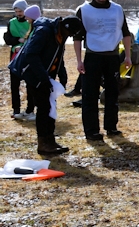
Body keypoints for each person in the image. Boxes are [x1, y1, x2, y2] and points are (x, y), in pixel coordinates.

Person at [8, 16, 86, 155]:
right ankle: (43, 143)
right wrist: (43, 79)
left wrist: (62, 75)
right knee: (44, 107)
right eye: (69, 34)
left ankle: (50, 140)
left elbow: (58, 55)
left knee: (50, 106)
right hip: (32, 72)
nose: (69, 37)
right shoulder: (44, 31)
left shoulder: (61, 33)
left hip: (45, 74)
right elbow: (30, 55)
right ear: (64, 27)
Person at [73, 0, 132, 141]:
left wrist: (127, 56)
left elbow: (125, 33)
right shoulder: (84, 10)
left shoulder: (117, 10)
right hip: (93, 56)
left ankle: (111, 127)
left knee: (113, 93)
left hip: (112, 56)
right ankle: (91, 130)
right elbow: (77, 37)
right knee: (90, 95)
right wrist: (79, 60)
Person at [5, 0, 35, 121]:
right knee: (14, 85)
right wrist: (17, 41)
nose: (18, 13)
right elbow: (7, 38)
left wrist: (24, 46)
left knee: (30, 85)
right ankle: (16, 110)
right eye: (16, 11)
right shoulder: (11, 22)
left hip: (28, 57)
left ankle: (30, 109)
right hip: (15, 57)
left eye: (21, 11)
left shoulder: (31, 22)